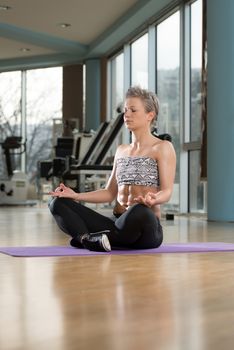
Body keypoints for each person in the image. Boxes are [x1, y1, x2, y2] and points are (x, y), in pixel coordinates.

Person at [48, 86, 176, 252]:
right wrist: (75, 195)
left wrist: (153, 199)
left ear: (150, 115)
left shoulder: (162, 147)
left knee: (140, 211)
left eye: (133, 110)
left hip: (145, 228)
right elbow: (109, 193)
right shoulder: (122, 150)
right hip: (117, 222)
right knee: (57, 202)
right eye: (125, 110)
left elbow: (166, 192)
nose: (127, 115)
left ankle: (92, 237)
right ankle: (87, 239)